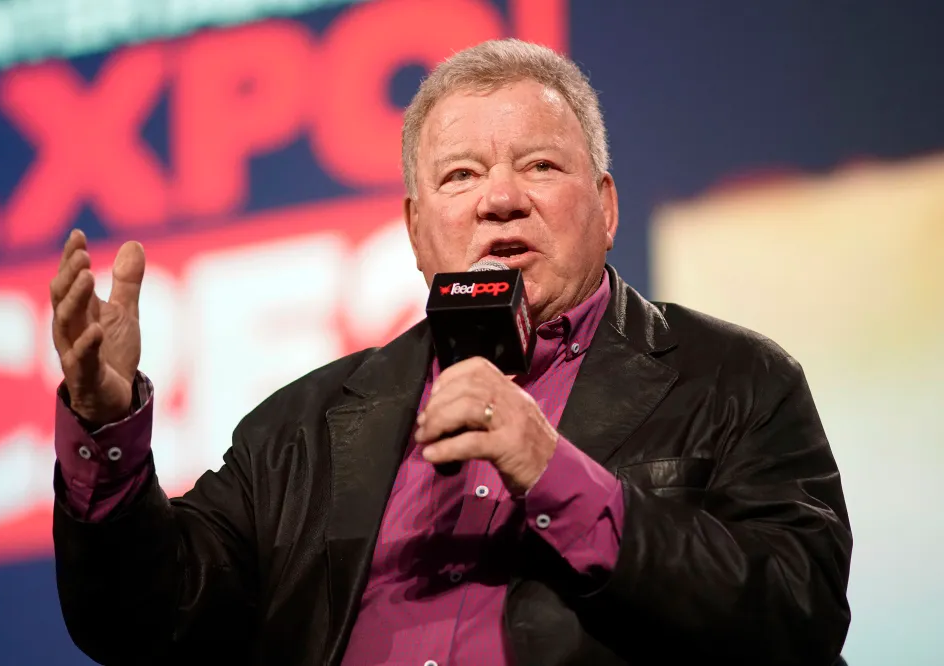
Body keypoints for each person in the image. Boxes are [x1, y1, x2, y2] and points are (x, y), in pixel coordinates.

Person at [49, 39, 851, 665]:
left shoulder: (734, 380)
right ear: (415, 230)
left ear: (605, 207)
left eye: (540, 165)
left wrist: (556, 473)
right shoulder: (302, 431)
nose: (501, 198)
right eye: (461, 175)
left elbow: (794, 617)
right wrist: (107, 426)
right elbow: (146, 623)